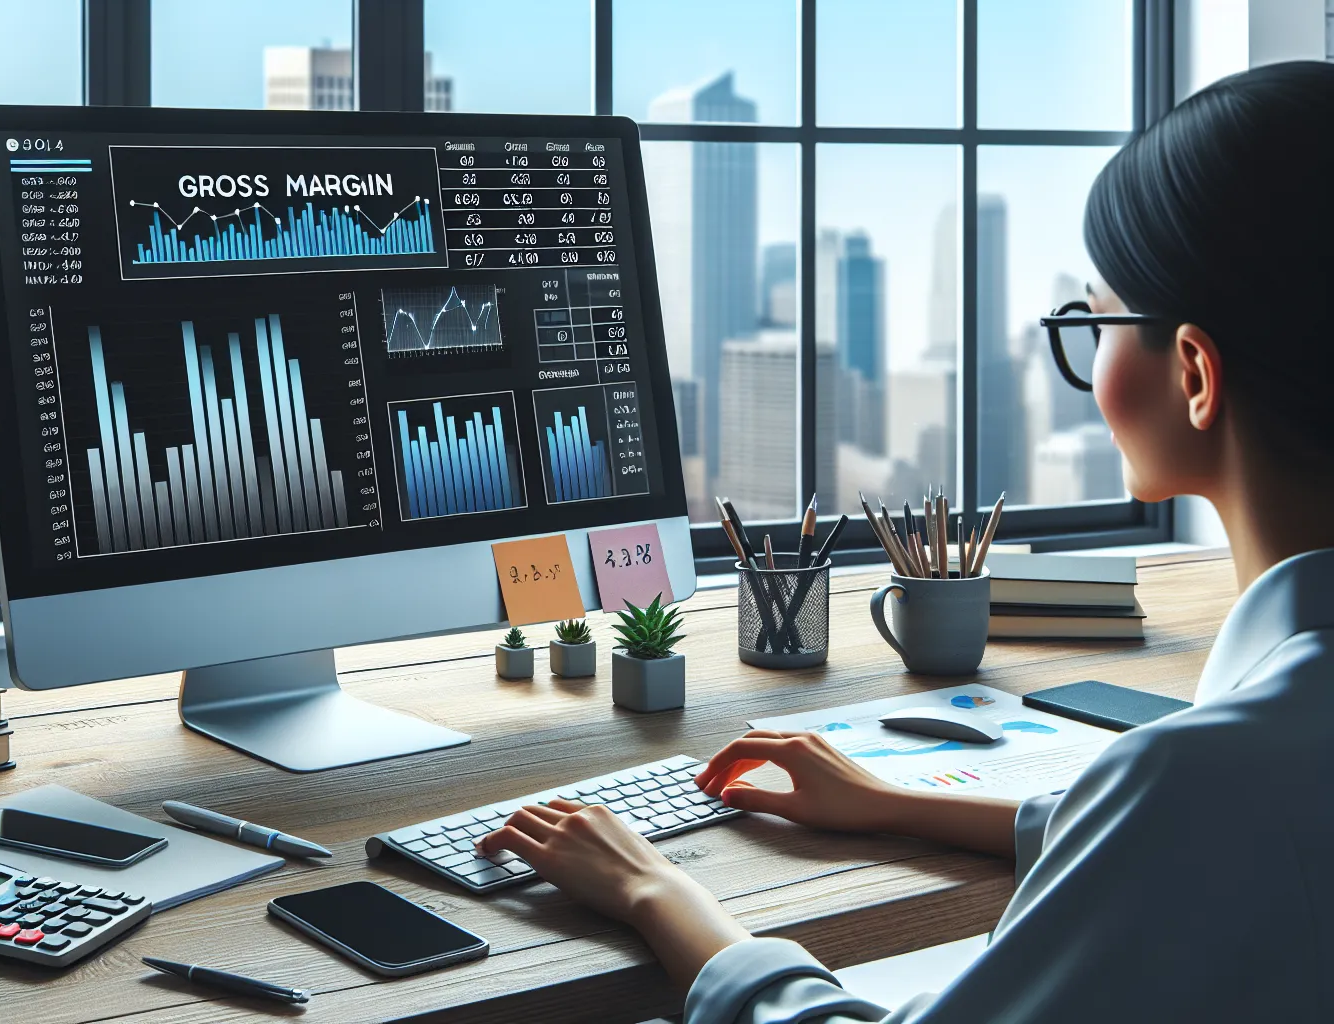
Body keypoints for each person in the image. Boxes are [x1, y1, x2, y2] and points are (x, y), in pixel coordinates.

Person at [479, 60, 1334, 1022]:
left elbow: (1194, 823)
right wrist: (891, 802)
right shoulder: (1245, 771)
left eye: (1096, 323)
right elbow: (1184, 850)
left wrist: (663, 899)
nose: (1088, 362)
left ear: (1194, 374)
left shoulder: (1209, 778)